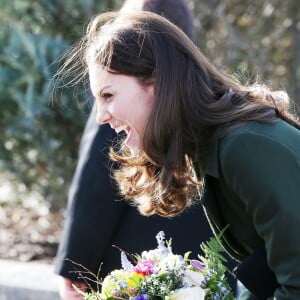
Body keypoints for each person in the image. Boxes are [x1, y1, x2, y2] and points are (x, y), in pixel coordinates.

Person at [58, 10, 300, 299]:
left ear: (157, 84)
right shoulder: (217, 147)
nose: (100, 116)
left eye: (108, 96)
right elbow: (266, 270)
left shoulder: (244, 147)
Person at [54, 1, 224, 299]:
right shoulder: (203, 103)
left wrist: (75, 267)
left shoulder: (122, 101)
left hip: (137, 264)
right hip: (203, 268)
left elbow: (95, 184)